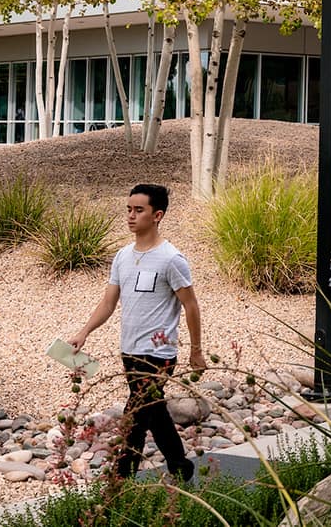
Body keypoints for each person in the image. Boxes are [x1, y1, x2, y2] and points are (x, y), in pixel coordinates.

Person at [67, 184, 205, 482]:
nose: (131, 216)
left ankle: (120, 479)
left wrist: (196, 350)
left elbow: (191, 306)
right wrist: (85, 331)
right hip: (129, 351)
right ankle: (180, 467)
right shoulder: (122, 257)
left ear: (157, 215)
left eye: (138, 210)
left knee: (135, 416)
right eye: (129, 209)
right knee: (154, 414)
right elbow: (108, 302)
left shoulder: (171, 259)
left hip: (159, 354)